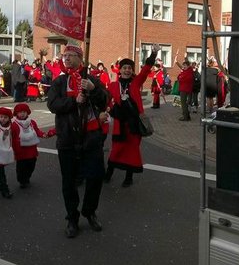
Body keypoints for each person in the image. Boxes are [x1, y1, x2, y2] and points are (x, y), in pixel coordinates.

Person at [47, 44, 108, 238]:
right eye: (65, 55)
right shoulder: (59, 82)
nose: (67, 58)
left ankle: (89, 211)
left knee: (96, 177)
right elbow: (52, 104)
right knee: (69, 182)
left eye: (71, 55)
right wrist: (74, 101)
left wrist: (93, 90)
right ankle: (72, 217)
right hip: (68, 138)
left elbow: (105, 101)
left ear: (81, 59)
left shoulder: (91, 80)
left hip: (91, 138)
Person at [104, 44, 159, 187]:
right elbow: (106, 101)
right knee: (116, 149)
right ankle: (108, 174)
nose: (127, 70)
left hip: (134, 123)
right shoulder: (113, 86)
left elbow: (146, 70)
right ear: (120, 70)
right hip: (119, 124)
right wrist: (110, 110)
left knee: (132, 150)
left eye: (129, 68)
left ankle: (129, 178)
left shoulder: (136, 83)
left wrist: (153, 53)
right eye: (124, 68)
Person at [11, 103, 55, 188]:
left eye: (24, 112)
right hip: (20, 150)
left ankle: (27, 177)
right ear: (16, 113)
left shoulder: (32, 123)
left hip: (31, 149)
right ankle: (22, 180)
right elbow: (11, 136)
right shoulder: (14, 125)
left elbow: (37, 131)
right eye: (20, 112)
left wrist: (43, 135)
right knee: (21, 167)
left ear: (27, 112)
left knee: (31, 165)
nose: (22, 114)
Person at [174, 54, 194, 121]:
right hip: (183, 88)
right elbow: (179, 76)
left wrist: (180, 77)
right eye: (183, 65)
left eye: (185, 65)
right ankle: (187, 116)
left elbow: (183, 79)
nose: (184, 67)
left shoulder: (189, 72)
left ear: (188, 66)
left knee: (183, 103)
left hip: (185, 89)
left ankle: (185, 117)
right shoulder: (185, 71)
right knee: (184, 103)